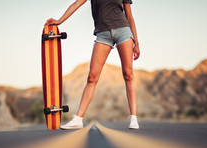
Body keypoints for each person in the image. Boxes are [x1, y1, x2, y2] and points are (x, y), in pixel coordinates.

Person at [46, 0, 140, 130]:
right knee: (92, 77)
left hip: (123, 31)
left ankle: (133, 118)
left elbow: (129, 16)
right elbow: (76, 4)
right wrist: (59, 21)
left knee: (128, 74)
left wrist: (136, 42)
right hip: (103, 34)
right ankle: (78, 119)